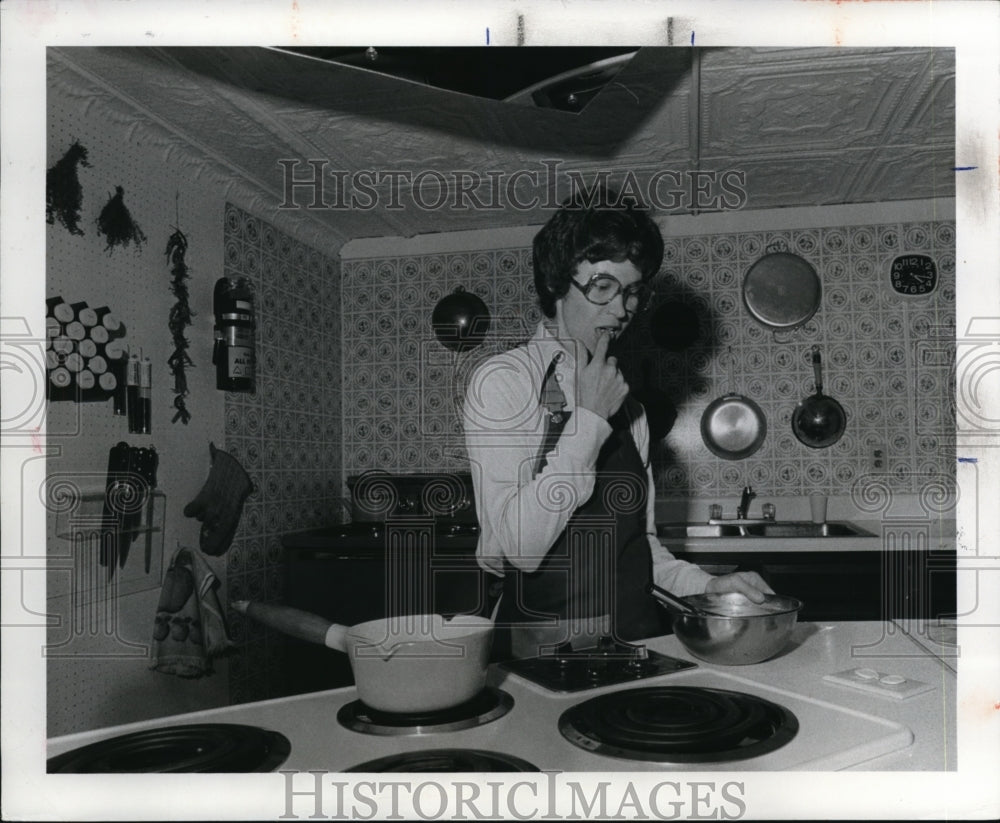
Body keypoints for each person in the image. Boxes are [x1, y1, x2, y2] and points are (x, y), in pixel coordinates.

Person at [462, 187, 772, 660]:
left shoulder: (633, 412)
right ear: (555, 285)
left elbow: (641, 551)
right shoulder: (504, 382)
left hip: (637, 641)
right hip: (544, 654)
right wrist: (586, 420)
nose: (621, 309)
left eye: (631, 292)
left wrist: (708, 585)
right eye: (602, 287)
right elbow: (518, 549)